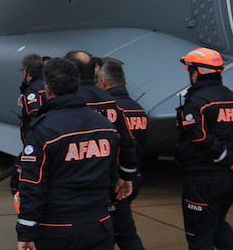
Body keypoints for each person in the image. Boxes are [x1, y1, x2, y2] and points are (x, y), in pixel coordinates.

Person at [16, 58, 120, 250]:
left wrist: (26, 231)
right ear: (78, 86)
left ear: (48, 89)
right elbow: (112, 175)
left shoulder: (43, 131)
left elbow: (33, 185)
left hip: (57, 229)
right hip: (99, 224)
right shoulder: (106, 127)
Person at [176, 47, 233, 250]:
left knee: (199, 236)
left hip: (204, 180)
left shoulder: (197, 102)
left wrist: (229, 159)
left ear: (198, 72)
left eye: (190, 69)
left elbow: (201, 136)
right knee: (216, 225)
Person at [64, 50, 137, 200]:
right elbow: (127, 141)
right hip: (103, 181)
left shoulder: (64, 101)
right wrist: (126, 175)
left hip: (68, 184)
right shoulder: (110, 101)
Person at [98, 60, 147, 249]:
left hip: (115, 182)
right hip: (134, 177)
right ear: (125, 83)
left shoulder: (108, 110)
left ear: (102, 82)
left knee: (118, 234)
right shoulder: (139, 110)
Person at [11, 54, 46, 195]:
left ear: (25, 71)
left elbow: (34, 118)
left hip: (37, 145)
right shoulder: (48, 86)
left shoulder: (32, 92)